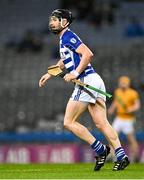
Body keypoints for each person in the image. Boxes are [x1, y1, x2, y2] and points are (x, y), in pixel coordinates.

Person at [39, 9, 130, 171]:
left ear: (64, 22)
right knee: (102, 123)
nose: (51, 22)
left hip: (86, 80)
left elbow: (87, 54)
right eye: (51, 19)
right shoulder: (64, 39)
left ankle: (101, 149)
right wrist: (50, 73)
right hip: (94, 79)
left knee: (68, 122)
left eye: (55, 19)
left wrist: (75, 73)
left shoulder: (68, 35)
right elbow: (65, 59)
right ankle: (122, 156)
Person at [108, 76, 140, 162]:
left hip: (128, 119)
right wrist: (111, 109)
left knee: (131, 138)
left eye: (124, 83)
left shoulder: (133, 93)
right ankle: (111, 155)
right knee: (112, 136)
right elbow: (116, 101)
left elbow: (137, 105)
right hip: (119, 118)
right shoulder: (117, 91)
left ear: (128, 84)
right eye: (121, 83)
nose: (122, 84)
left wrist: (131, 109)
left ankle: (136, 156)